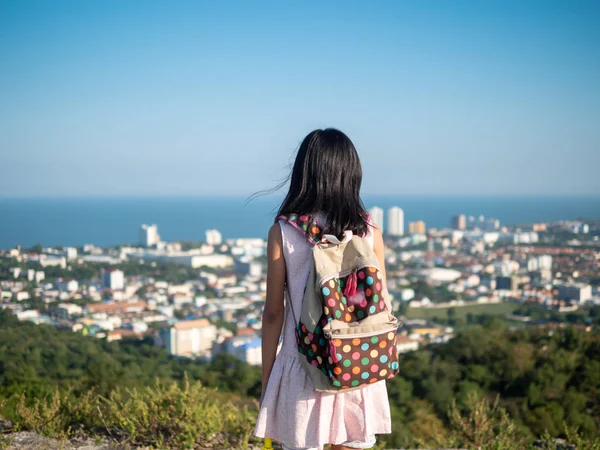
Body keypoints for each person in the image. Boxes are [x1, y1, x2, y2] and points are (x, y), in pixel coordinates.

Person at [253, 129, 392, 450]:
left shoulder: (284, 232)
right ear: (352, 173)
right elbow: (381, 304)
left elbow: (274, 312)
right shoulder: (369, 233)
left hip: (303, 365)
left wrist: (267, 381)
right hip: (356, 360)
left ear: (304, 173)